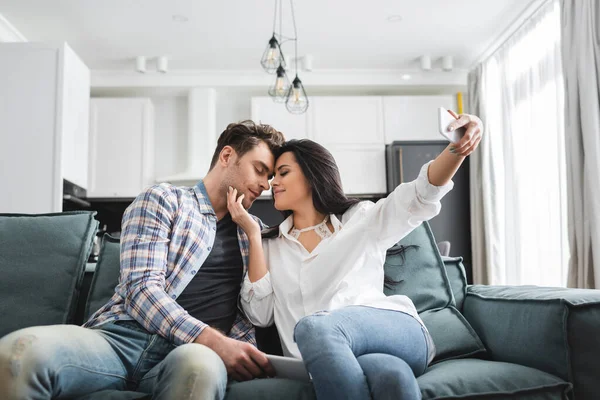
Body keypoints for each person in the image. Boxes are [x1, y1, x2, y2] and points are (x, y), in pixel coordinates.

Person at [0, 120, 284, 400]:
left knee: (199, 368)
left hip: (189, 355)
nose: (265, 185)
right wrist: (214, 339)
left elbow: (263, 307)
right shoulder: (164, 199)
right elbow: (141, 290)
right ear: (227, 156)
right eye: (259, 170)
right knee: (18, 353)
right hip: (122, 339)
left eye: (270, 177)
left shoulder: (254, 232)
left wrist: (253, 233)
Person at [227, 111, 483, 400]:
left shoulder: (359, 218)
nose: (273, 183)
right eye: (272, 176)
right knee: (391, 377)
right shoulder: (271, 246)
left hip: (395, 332)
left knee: (312, 327)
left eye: (283, 172)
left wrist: (456, 149)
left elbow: (418, 197)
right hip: (332, 358)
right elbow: (259, 315)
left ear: (312, 176)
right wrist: (252, 234)